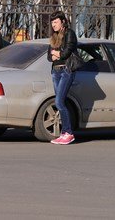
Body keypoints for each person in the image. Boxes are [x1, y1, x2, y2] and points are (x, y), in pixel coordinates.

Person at [47, 11, 78, 145]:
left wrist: (57, 53)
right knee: (60, 102)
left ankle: (68, 133)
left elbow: (66, 53)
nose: (53, 25)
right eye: (52, 22)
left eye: (56, 22)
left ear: (62, 22)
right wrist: (55, 53)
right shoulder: (54, 36)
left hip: (66, 70)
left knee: (59, 102)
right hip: (55, 71)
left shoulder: (69, 33)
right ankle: (64, 133)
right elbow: (49, 56)